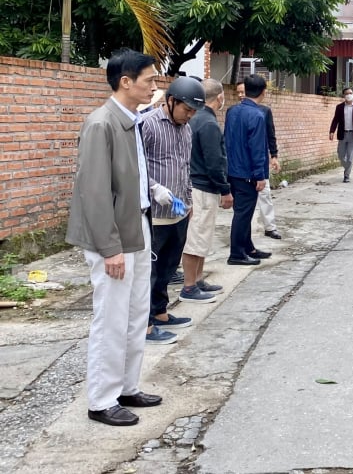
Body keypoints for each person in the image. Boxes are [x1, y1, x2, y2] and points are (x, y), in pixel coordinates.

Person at [66, 48, 163, 427]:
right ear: (126, 82)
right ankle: (101, 399)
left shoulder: (132, 119)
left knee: (137, 312)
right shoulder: (101, 124)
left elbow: (133, 179)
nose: (154, 86)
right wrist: (110, 248)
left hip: (137, 226)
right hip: (113, 236)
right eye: (149, 80)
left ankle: (126, 386)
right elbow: (93, 192)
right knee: (111, 316)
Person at [139, 78, 206, 347]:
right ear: (171, 101)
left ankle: (160, 313)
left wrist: (188, 202)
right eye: (186, 109)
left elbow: (184, 167)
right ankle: (143, 325)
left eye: (193, 112)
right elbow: (135, 165)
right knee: (150, 271)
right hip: (154, 213)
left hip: (178, 212)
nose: (189, 115)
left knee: (167, 268)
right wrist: (154, 188)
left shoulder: (186, 130)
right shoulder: (149, 125)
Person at [182, 79, 232, 302]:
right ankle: (189, 286)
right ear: (219, 97)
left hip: (196, 184)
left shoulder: (194, 119)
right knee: (196, 238)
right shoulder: (208, 123)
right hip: (202, 187)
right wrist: (225, 189)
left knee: (202, 237)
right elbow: (215, 161)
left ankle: (198, 279)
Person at [224, 75, 272, 265]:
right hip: (247, 173)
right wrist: (260, 175)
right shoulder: (257, 115)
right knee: (243, 215)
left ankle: (248, 247)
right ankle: (236, 253)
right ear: (263, 92)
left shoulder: (232, 111)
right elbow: (257, 148)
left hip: (233, 169)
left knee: (242, 212)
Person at [236, 82, 282, 240]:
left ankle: (270, 227)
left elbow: (271, 134)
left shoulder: (263, 112)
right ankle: (243, 233)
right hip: (242, 165)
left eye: (243, 92)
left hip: (259, 163)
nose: (241, 95)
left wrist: (274, 155)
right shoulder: (235, 112)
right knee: (243, 203)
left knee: (264, 195)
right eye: (238, 92)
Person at [328, 87, 353, 183]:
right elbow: (335, 120)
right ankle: (348, 166)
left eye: (351, 93)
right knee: (341, 155)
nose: (349, 95)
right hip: (343, 133)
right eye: (347, 93)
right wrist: (331, 131)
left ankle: (346, 176)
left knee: (350, 157)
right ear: (344, 96)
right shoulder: (339, 107)